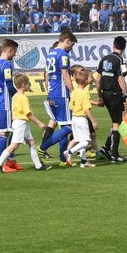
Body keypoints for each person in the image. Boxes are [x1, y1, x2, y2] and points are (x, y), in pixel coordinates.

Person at [0, 74, 52, 173]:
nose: (30, 85)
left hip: (19, 122)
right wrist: (39, 123)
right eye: (28, 83)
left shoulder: (15, 96)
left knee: (32, 143)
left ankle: (38, 166)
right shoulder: (23, 98)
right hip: (21, 123)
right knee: (14, 145)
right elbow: (28, 113)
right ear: (24, 84)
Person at [38, 30, 77, 160]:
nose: (71, 48)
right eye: (71, 45)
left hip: (52, 93)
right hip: (62, 94)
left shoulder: (50, 54)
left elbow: (47, 76)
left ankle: (62, 158)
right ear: (67, 41)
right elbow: (65, 75)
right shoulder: (63, 54)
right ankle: (42, 148)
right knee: (68, 126)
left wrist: (49, 92)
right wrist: (74, 92)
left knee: (61, 124)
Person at [95, 36, 127, 162]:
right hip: (115, 94)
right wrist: (126, 95)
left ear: (113, 45)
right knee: (118, 123)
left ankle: (106, 147)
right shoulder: (120, 60)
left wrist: (100, 96)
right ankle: (114, 154)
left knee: (115, 121)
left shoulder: (104, 59)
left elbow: (98, 80)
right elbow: (121, 78)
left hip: (105, 93)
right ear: (124, 48)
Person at [0, 39, 21, 171]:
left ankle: (11, 161)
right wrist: (19, 96)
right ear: (9, 50)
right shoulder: (6, 65)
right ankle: (0, 163)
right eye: (14, 51)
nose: (15, 54)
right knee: (4, 133)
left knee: (11, 132)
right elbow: (9, 84)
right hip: (6, 102)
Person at [67, 68, 97, 168]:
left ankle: (83, 162)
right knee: (87, 141)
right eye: (89, 77)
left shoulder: (74, 92)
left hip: (74, 118)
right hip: (81, 119)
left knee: (79, 139)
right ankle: (69, 152)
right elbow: (87, 109)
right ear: (85, 81)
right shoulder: (83, 93)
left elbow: (71, 106)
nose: (91, 79)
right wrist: (93, 121)